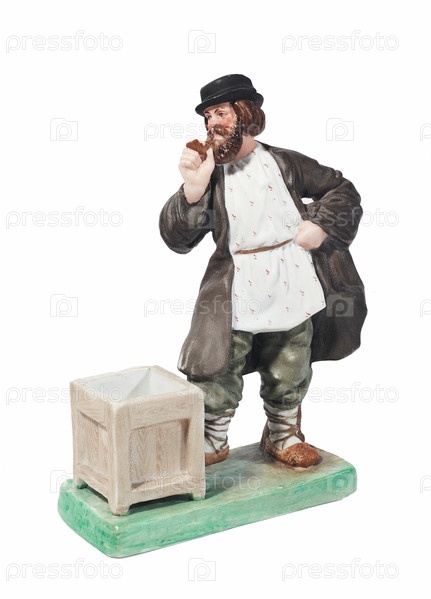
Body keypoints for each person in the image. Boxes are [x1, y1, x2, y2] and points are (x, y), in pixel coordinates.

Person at [160, 74, 367, 468]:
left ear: (245, 113)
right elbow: (176, 237)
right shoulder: (210, 173)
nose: (212, 124)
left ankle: (283, 432)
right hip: (236, 282)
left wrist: (320, 226)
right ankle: (212, 436)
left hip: (292, 274)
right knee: (219, 362)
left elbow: (341, 189)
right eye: (208, 117)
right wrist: (192, 191)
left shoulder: (285, 162)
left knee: (291, 356)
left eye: (221, 113)